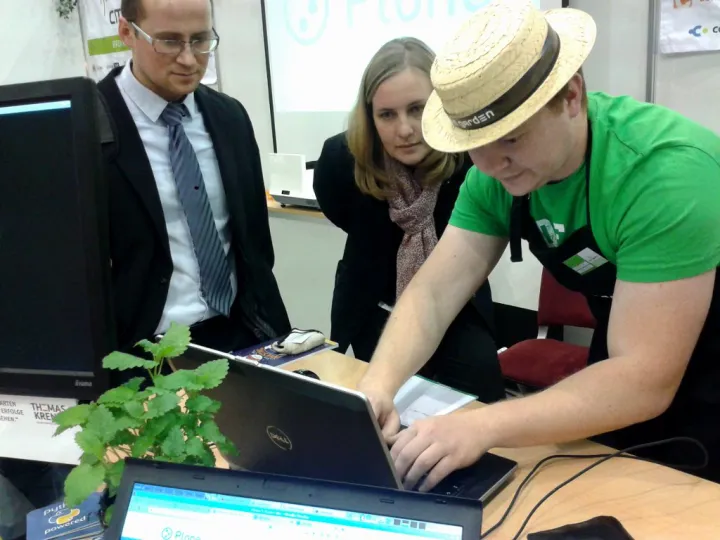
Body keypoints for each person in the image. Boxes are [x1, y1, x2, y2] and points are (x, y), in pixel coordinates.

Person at [357, 0, 720, 491]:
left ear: (571, 96)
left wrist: (483, 425)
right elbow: (433, 295)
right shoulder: (493, 174)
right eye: (474, 144)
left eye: (511, 138)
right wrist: (377, 388)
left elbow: (644, 379)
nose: (490, 163)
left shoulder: (663, 175)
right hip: (628, 345)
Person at [313, 37, 504, 402]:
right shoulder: (341, 159)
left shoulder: (471, 158)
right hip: (371, 306)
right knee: (392, 412)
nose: (404, 129)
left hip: (458, 306)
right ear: (369, 115)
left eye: (417, 109)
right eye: (387, 114)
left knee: (479, 403)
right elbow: (341, 213)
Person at [97, 0, 290, 357]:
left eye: (201, 40)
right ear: (127, 32)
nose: (189, 59)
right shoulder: (90, 129)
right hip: (144, 353)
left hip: (244, 335)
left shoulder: (229, 117)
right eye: (169, 41)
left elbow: (255, 245)